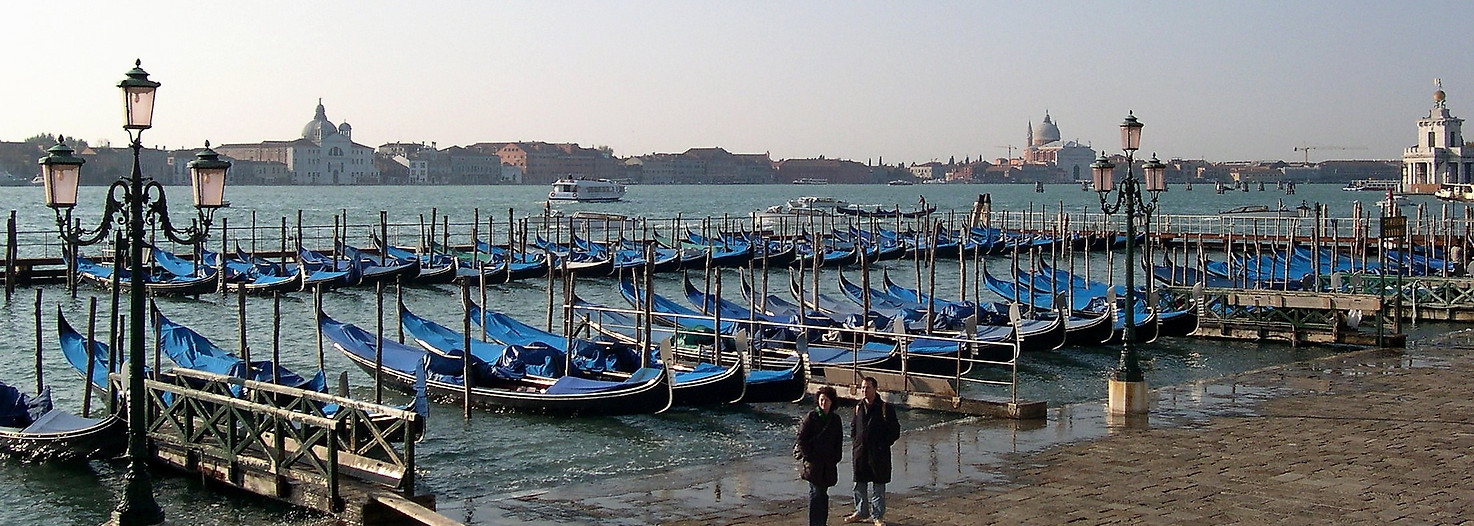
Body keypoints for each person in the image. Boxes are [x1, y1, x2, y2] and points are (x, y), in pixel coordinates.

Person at [845, 376, 899, 526]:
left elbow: (895, 431)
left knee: (878, 486)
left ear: (875, 389)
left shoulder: (885, 408)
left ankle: (877, 515)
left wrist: (882, 445)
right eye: (863, 388)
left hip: (878, 453)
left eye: (868, 388)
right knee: (859, 483)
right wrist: (856, 443)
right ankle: (861, 511)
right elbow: (854, 428)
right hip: (861, 452)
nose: (864, 390)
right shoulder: (858, 407)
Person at [796, 385, 843, 526]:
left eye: (827, 400)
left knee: (823, 494)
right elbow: (801, 438)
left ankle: (822, 522)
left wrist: (836, 457)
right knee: (816, 493)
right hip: (814, 463)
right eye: (822, 400)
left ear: (832, 402)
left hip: (828, 463)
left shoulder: (835, 420)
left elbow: (838, 440)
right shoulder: (811, 417)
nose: (824, 403)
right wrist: (809, 456)